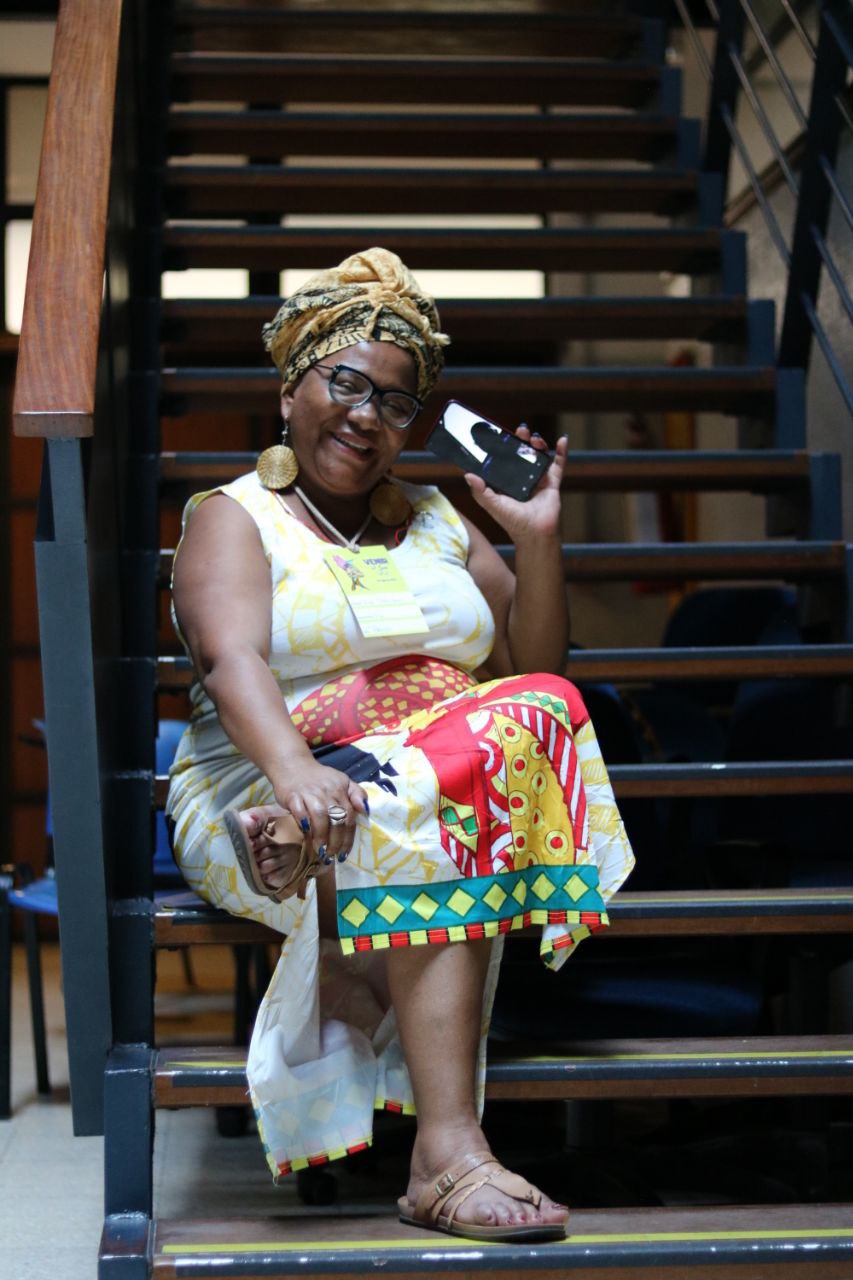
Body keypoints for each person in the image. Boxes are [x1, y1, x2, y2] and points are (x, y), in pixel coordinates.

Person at [167, 248, 635, 1242]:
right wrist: (296, 774)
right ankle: (447, 1156)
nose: (366, 416)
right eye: (345, 383)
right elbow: (227, 658)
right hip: (266, 780)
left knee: (532, 711)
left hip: (396, 797)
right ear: (291, 386)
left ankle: (336, 839)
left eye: (394, 400)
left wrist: (536, 536)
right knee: (430, 821)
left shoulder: (436, 520)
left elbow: (534, 667)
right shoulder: (234, 517)